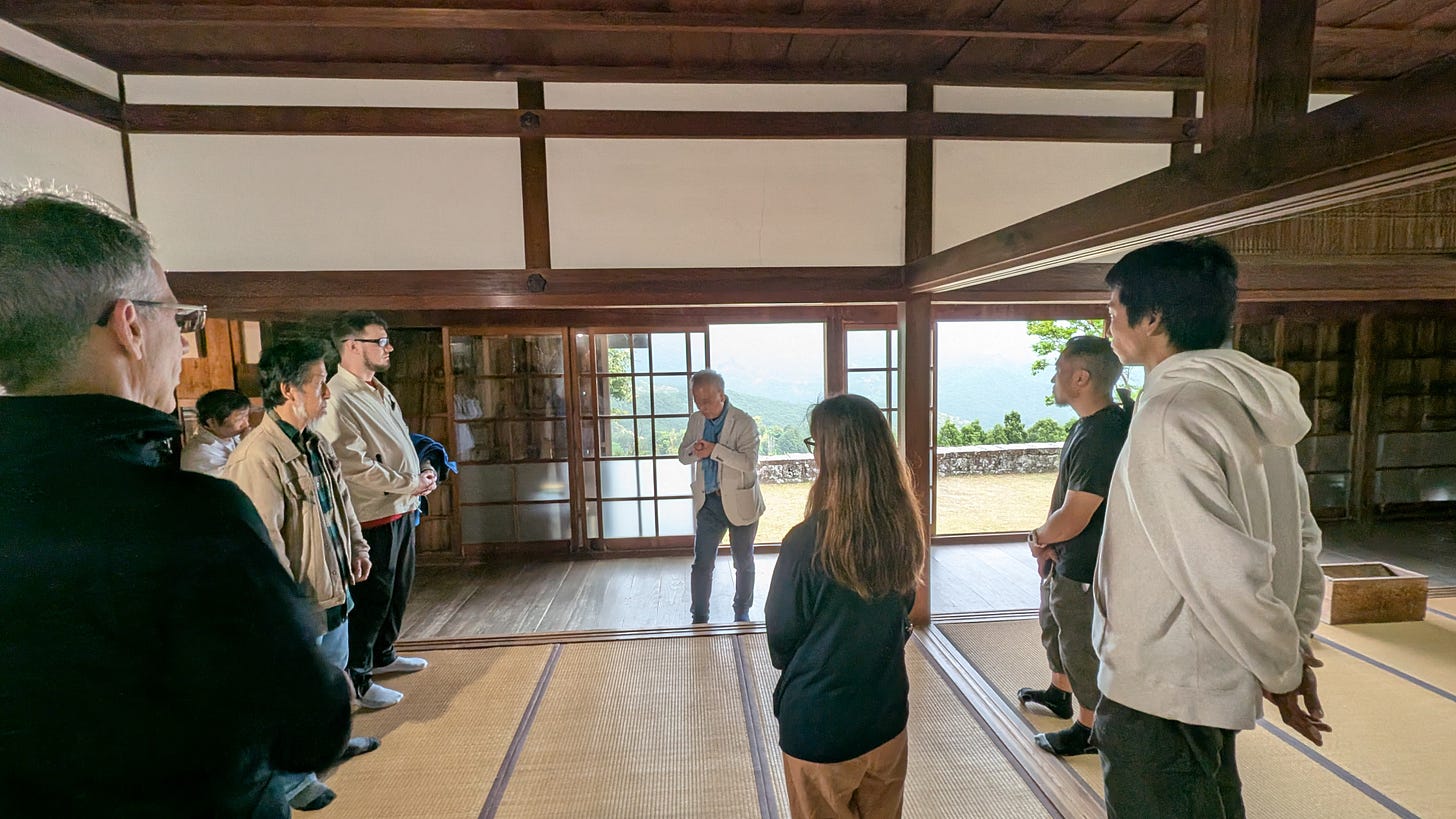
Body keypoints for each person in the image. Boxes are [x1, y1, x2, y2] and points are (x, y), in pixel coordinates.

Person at [0, 184, 351, 817]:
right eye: (178, 317)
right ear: (129, 326)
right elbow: (306, 727)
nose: (185, 342)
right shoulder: (189, 516)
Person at [1092, 239, 1330, 817]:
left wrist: (1282, 665)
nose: (1107, 324)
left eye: (1113, 309)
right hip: (1208, 677)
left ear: (1152, 317)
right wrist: (1288, 648)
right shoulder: (1245, 405)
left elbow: (1221, 568)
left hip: (1165, 686)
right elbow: (1300, 541)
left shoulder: (1171, 415)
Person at [226, 339, 382, 810]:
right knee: (295, 691)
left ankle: (331, 745)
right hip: (300, 597)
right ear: (288, 390)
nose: (327, 393)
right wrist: (284, 607)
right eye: (319, 383)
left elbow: (342, 504)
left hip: (333, 585)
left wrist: (357, 546)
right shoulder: (258, 456)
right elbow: (264, 542)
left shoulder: (314, 442)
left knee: (331, 678)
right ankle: (294, 780)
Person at [766, 394, 926, 819]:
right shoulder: (904, 528)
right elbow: (905, 610)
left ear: (831, 455)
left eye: (815, 444)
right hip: (886, 716)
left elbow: (780, 641)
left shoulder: (805, 542)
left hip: (820, 727)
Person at [315, 311, 435, 708]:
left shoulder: (377, 390)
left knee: (396, 592)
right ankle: (359, 679)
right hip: (371, 513)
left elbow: (400, 443)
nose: (389, 347)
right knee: (370, 599)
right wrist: (409, 483)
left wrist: (422, 472)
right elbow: (352, 465)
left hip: (400, 505)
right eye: (380, 341)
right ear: (351, 345)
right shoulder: (337, 396)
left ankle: (383, 656)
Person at [1015, 336, 1129, 757]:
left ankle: (1090, 728)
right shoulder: (1091, 426)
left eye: (1059, 370)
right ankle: (1060, 692)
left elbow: (1077, 512)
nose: (1053, 379)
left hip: (1085, 561)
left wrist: (1039, 538)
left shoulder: (1102, 434)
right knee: (1056, 623)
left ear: (1081, 377)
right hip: (1067, 554)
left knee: (1080, 641)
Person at [678, 369, 766, 624]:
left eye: (706, 401)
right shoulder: (696, 420)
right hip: (708, 502)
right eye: (697, 401)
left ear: (722, 395)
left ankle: (742, 612)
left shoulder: (744, 422)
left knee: (743, 561)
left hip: (741, 500)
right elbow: (683, 456)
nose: (702, 407)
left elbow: (749, 463)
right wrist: (695, 450)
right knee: (702, 563)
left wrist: (715, 450)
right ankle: (699, 617)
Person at [182, 387, 252, 475]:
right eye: (239, 419)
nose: (246, 424)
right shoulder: (199, 453)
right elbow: (239, 477)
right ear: (212, 422)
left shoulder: (233, 436)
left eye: (246, 416)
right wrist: (247, 445)